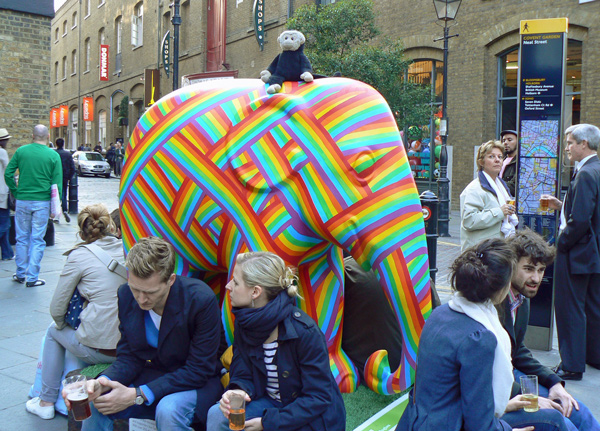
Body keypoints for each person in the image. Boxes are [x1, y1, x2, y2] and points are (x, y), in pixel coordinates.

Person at [397, 238, 569, 431]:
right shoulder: (479, 337)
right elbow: (479, 424)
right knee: (555, 420)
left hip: (419, 420)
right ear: (503, 287)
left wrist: (507, 405)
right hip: (447, 424)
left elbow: (454, 391)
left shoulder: (441, 313)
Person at [70, 236, 224, 431]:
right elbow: (129, 356)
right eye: (136, 289)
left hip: (198, 382)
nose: (141, 299)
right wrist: (103, 382)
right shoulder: (125, 294)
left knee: (168, 410)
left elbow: (199, 370)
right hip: (155, 374)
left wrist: (138, 394)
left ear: (171, 280)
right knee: (99, 400)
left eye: (150, 292)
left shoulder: (200, 300)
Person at [207, 251, 345, 431]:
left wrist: (268, 423)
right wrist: (239, 390)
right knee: (217, 415)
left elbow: (318, 397)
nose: (227, 286)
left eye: (236, 282)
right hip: (272, 403)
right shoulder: (245, 321)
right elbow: (242, 368)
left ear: (255, 292)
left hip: (311, 415)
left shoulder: (305, 332)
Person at [25, 204, 126, 420]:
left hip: (104, 350)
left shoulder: (79, 255)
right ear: (111, 227)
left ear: (81, 232)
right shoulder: (127, 249)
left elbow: (56, 309)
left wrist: (64, 325)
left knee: (53, 332)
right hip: (131, 345)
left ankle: (46, 401)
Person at [504, 229, 600, 431]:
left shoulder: (521, 298)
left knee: (575, 408)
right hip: (496, 386)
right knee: (560, 421)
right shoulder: (495, 301)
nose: (536, 279)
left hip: (511, 374)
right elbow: (483, 372)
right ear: (510, 265)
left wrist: (555, 383)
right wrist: (533, 398)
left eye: (541, 270)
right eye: (529, 269)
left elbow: (518, 350)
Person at [541, 123, 600, 381]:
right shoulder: (594, 169)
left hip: (576, 251)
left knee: (569, 307)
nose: (566, 148)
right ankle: (592, 356)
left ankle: (572, 365)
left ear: (583, 144)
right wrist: (561, 204)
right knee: (592, 306)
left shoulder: (586, 173)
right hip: (591, 252)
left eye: (569, 143)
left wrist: (560, 245)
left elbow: (580, 220)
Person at [5, 124, 62, 287]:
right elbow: (57, 185)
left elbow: (9, 174)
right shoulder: (53, 156)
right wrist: (55, 208)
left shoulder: (21, 151)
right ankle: (32, 277)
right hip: (42, 202)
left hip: (23, 200)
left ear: (32, 136)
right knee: (37, 239)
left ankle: (20, 273)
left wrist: (16, 191)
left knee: (21, 238)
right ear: (48, 136)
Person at [460, 140, 518, 251]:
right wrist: (500, 212)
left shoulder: (501, 186)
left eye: (500, 157)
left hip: (497, 251)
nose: (497, 160)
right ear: (481, 162)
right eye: (491, 156)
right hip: (480, 254)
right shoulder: (474, 189)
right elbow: (469, 221)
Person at [0, 128, 14, 261]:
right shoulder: (2, 152)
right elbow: (8, 171)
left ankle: (7, 253)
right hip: (2, 194)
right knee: (4, 224)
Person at [55, 138, 75, 223]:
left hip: (55, 177)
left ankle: (56, 215)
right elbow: (72, 168)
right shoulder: (67, 154)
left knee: (54, 195)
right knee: (63, 194)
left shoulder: (54, 153)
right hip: (64, 177)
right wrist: (69, 177)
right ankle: (65, 210)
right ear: (63, 144)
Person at [500, 129, 518, 197]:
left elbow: (514, 186)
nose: (505, 143)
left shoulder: (520, 163)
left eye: (510, 140)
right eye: (504, 140)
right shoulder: (500, 161)